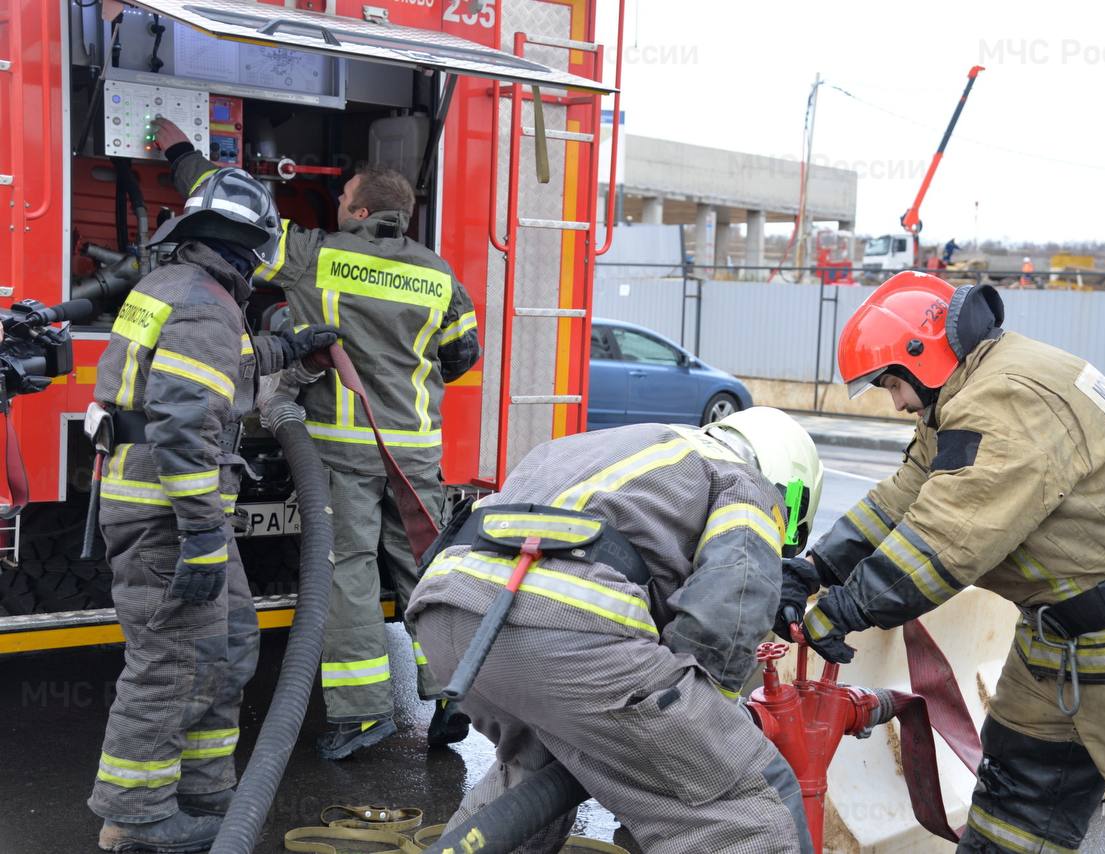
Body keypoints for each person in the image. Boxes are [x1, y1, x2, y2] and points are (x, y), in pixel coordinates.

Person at [781, 270, 1105, 853]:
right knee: (1015, 809)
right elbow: (903, 499)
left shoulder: (1008, 398)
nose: (895, 402)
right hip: (1062, 640)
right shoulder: (967, 398)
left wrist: (841, 611)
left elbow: (948, 539)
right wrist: (815, 571)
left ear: (924, 356)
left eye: (893, 383)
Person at [153, 118, 481, 759]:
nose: (335, 208)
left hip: (343, 448)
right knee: (427, 569)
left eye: (341, 201)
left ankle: (361, 716)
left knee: (348, 571)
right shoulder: (441, 275)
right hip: (415, 452)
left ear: (359, 210)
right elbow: (460, 354)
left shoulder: (316, 255)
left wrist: (179, 151)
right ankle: (452, 696)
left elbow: (231, 220)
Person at [406, 407, 825, 854]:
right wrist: (706, 715)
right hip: (560, 627)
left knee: (531, 781)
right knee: (745, 803)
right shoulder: (744, 481)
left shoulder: (632, 447)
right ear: (789, 487)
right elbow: (734, 598)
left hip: (448, 612)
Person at [88, 168, 338, 852]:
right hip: (171, 516)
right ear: (248, 245)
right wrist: (201, 534)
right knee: (171, 659)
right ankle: (136, 818)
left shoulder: (180, 289)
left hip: (174, 510)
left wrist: (290, 348)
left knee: (226, 647)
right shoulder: (203, 304)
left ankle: (203, 792)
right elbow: (185, 420)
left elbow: (218, 364)